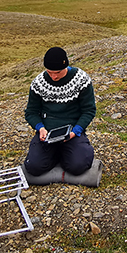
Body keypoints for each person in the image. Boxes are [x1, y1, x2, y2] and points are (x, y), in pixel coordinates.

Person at [24, 47, 96, 177]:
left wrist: (76, 131)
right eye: (50, 72)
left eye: (57, 72)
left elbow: (89, 110)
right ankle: (56, 153)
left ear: (66, 66)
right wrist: (40, 128)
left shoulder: (81, 79)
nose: (54, 76)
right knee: (33, 167)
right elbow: (31, 112)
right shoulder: (38, 83)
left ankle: (72, 151)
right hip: (47, 133)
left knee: (78, 166)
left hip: (72, 131)